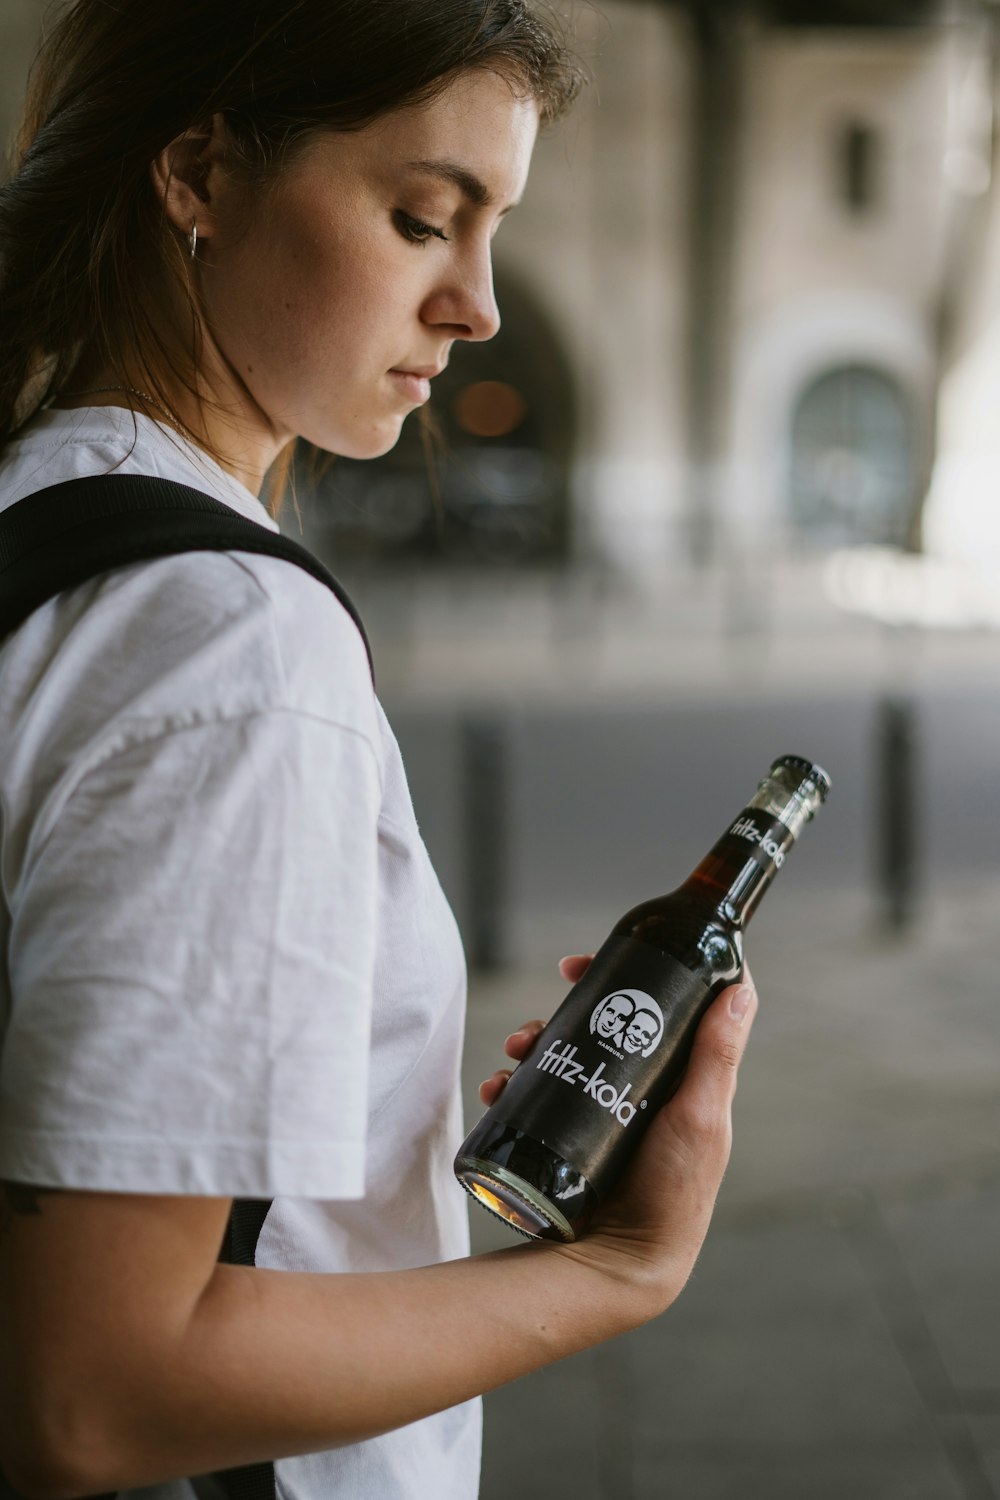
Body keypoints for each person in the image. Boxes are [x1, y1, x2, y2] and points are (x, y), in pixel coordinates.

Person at [0, 3, 759, 1498]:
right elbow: (94, 1392)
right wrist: (622, 1269)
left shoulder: (39, 514)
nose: (477, 301)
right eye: (424, 218)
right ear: (201, 175)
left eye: (493, 231)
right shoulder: (230, 646)